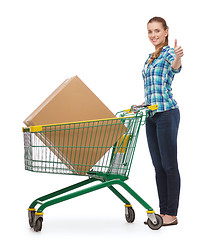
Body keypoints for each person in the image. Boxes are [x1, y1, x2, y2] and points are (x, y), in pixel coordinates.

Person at [141, 17, 183, 226]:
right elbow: (154, 89)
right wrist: (143, 104)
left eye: (157, 30)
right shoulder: (150, 58)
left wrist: (177, 57)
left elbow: (175, 67)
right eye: (150, 31)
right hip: (151, 116)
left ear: (166, 32)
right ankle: (163, 211)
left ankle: (171, 214)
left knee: (169, 165)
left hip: (167, 114)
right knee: (158, 167)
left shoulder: (167, 53)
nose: (153, 35)